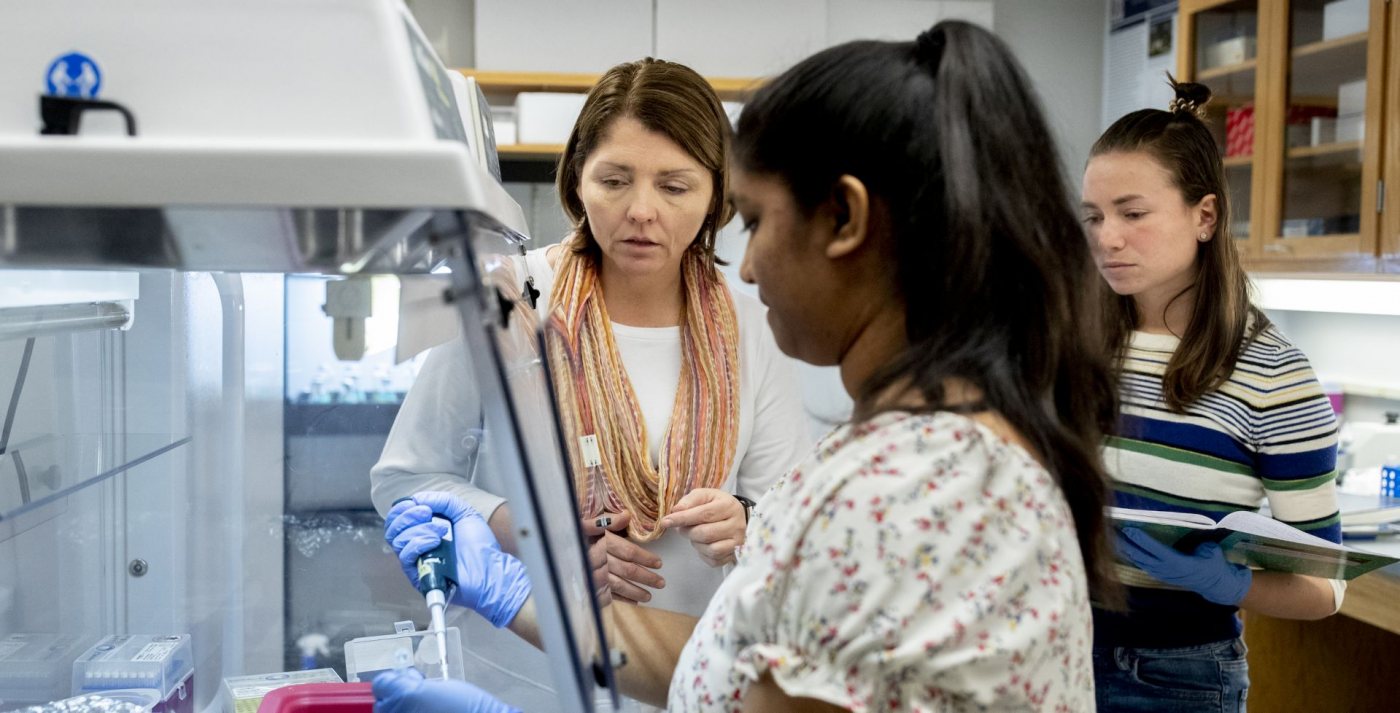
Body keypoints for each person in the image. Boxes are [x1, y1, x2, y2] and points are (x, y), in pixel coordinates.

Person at [375, 19, 1123, 712]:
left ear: (846, 219)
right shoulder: (922, 459)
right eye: (616, 180)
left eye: (757, 220)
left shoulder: (901, 491)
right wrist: (520, 591)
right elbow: (734, 660)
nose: (750, 268)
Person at [369, 57, 810, 709]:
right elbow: (405, 479)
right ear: (577, 177)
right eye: (615, 179)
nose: (641, 211)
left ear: (717, 194)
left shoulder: (748, 320)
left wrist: (745, 520)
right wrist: (541, 540)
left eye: (674, 186)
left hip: (685, 677)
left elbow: (795, 513)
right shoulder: (506, 295)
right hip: (518, 673)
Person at [1080, 78, 1344, 712]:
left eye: (1132, 213)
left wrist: (1228, 584)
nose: (1107, 237)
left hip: (1178, 677)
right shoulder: (1074, 341)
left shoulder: (1273, 374)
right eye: (1094, 216)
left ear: (1205, 215)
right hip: (1052, 647)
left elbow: (1325, 587)